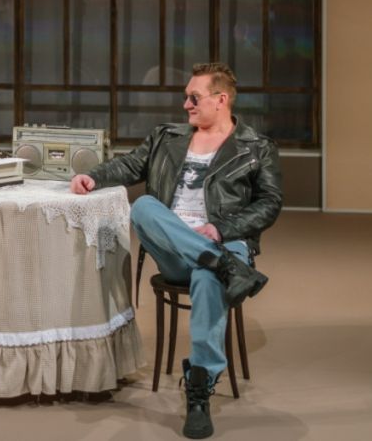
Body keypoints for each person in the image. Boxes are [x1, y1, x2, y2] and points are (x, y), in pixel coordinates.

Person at [71, 62, 282, 439]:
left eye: (193, 98)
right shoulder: (165, 137)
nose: (186, 105)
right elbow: (130, 165)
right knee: (144, 206)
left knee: (206, 275)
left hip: (225, 240)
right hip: (175, 247)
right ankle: (224, 266)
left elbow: (269, 203)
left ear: (221, 100)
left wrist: (221, 229)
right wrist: (94, 176)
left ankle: (199, 390)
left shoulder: (257, 147)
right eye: (186, 97)